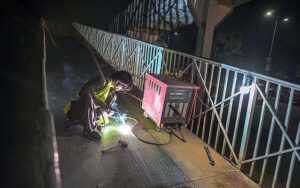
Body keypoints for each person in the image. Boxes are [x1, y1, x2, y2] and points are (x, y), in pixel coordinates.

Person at [64, 71, 133, 140]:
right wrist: (101, 104)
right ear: (119, 81)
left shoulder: (111, 93)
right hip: (78, 109)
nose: (121, 89)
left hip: (90, 115)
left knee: (112, 98)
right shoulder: (102, 81)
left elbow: (104, 107)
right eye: (123, 87)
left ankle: (91, 123)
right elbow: (83, 92)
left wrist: (109, 110)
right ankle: (89, 129)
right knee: (87, 97)